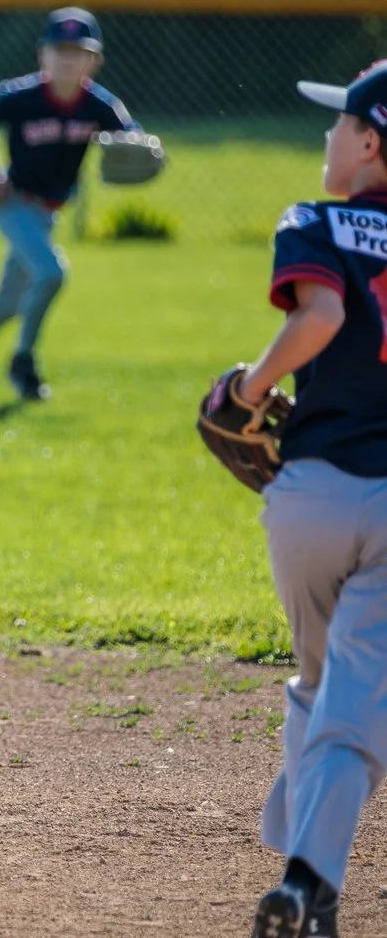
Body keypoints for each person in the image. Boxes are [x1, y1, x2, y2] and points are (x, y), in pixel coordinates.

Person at [237, 62, 387, 938]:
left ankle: (302, 863)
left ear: (369, 141)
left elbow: (321, 317)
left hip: (309, 499)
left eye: (340, 124)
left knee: (324, 682)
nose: (327, 137)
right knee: (353, 697)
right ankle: (308, 882)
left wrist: (253, 389)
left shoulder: (318, 218)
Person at [0, 7, 142, 402]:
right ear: (43, 55)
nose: (68, 58)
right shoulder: (25, 95)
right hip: (15, 203)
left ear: (94, 60)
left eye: (78, 51)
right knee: (52, 274)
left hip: (48, 212)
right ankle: (24, 361)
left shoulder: (99, 105)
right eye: (60, 49)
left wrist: (140, 148)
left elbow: (134, 137)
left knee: (5, 304)